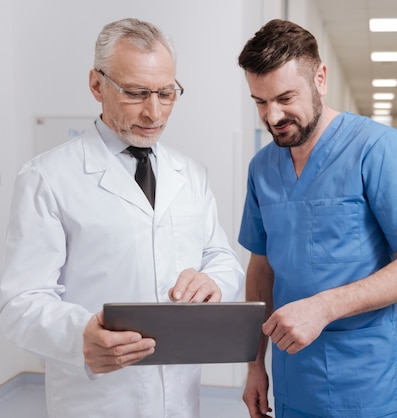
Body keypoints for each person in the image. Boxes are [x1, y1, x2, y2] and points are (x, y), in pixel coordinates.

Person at [0, 18, 244, 418]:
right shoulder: (47, 177)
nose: (154, 111)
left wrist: (212, 282)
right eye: (136, 93)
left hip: (180, 400)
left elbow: (220, 256)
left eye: (167, 93)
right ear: (97, 85)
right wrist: (80, 335)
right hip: (97, 399)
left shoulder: (191, 173)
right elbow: (20, 303)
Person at [237, 19, 397, 418]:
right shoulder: (262, 167)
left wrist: (323, 307)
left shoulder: (378, 149)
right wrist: (254, 366)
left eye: (285, 97)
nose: (273, 116)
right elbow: (261, 268)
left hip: (361, 378)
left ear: (320, 78)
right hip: (291, 375)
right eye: (260, 102)